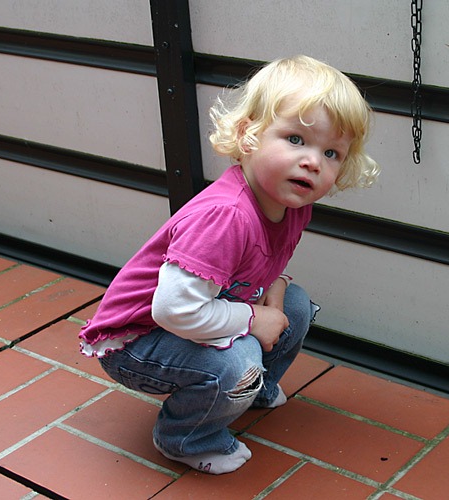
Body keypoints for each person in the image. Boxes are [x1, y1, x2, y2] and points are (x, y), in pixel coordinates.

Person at [79, 55, 380, 474]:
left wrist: (274, 288)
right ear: (247, 135)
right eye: (295, 139)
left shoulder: (292, 204)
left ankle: (253, 389)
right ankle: (186, 437)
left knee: (293, 304)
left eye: (331, 152)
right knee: (237, 362)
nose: (313, 161)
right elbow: (172, 309)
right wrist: (253, 320)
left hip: (196, 312)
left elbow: (260, 262)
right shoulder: (226, 216)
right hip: (137, 341)